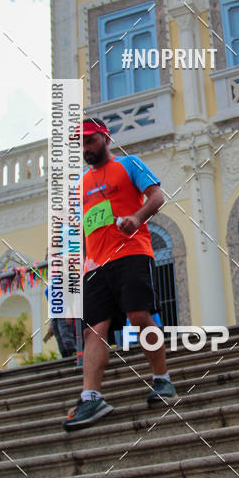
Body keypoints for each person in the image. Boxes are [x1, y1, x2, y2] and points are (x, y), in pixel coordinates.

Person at [62, 117, 175, 431]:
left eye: (90, 140)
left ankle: (162, 380)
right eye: (81, 143)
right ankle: (91, 397)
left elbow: (156, 196)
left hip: (132, 252)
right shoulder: (80, 184)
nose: (85, 148)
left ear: (104, 138)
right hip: (97, 265)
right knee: (93, 330)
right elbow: (85, 226)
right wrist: (84, 261)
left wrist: (136, 218)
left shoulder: (129, 164)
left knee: (139, 315)